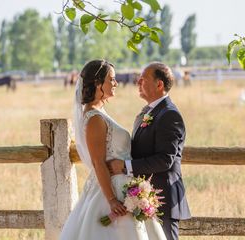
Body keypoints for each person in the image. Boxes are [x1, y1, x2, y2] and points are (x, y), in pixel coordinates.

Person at [60, 60, 166, 240]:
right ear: (97, 83)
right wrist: (111, 200)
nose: (116, 83)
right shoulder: (94, 118)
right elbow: (97, 162)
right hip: (110, 190)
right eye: (112, 79)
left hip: (123, 187)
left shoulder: (100, 112)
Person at [107, 62, 191, 240]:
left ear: (159, 84)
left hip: (163, 200)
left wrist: (125, 166)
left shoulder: (169, 115)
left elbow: (165, 160)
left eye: (143, 79)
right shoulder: (151, 112)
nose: (138, 81)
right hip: (144, 198)